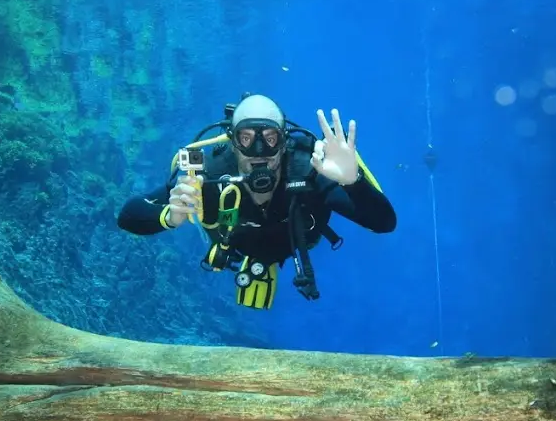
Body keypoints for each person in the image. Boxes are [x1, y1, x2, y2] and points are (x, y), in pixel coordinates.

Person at [117, 93, 397, 309]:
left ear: (284, 142)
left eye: (270, 138)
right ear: (232, 141)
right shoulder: (210, 174)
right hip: (237, 246)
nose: (259, 151)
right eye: (246, 138)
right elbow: (128, 215)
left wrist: (353, 181)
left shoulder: (310, 169)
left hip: (289, 244)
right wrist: (168, 216)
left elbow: (384, 222)